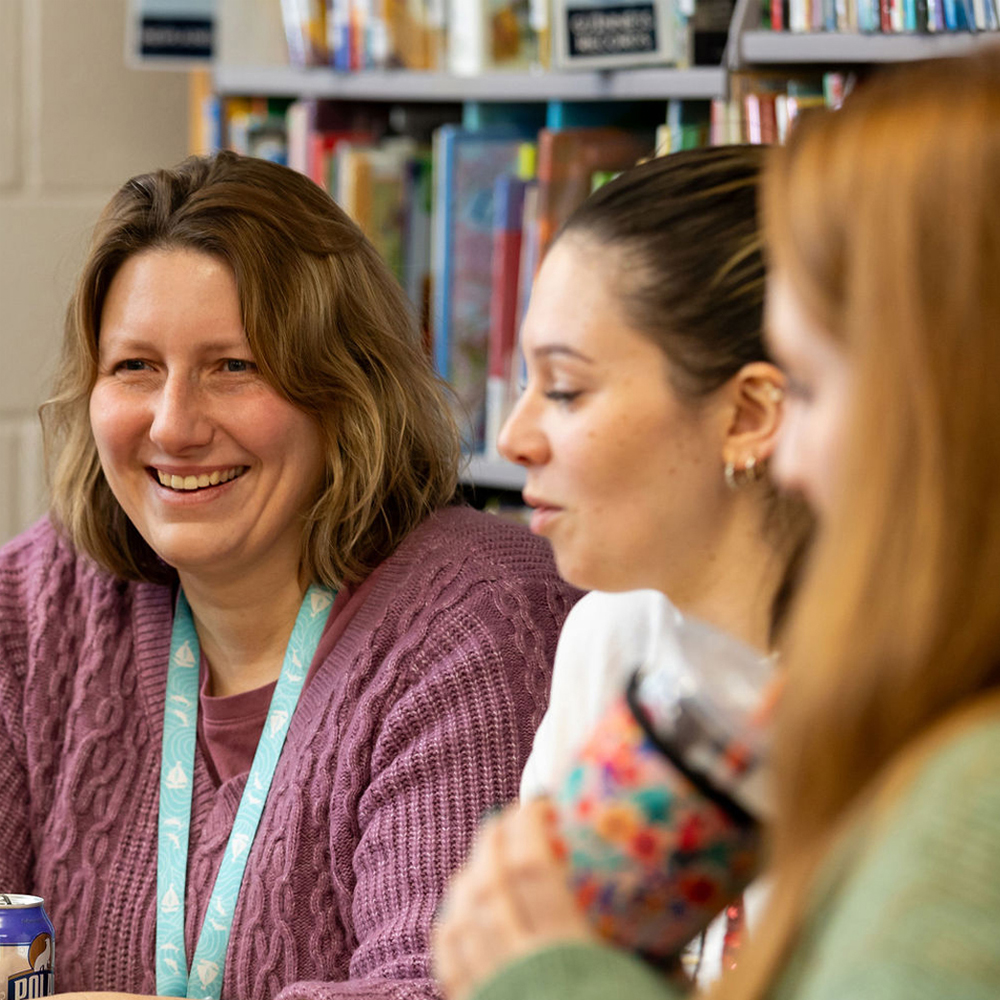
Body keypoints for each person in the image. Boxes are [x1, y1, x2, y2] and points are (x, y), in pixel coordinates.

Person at [432, 52, 1000, 1000]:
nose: (800, 456)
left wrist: (558, 977)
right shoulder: (627, 643)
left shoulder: (962, 790)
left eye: (811, 389)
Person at [0, 151, 580, 1000]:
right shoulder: (38, 604)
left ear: (345, 388)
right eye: (135, 368)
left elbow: (440, 987)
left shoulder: (476, 618)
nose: (175, 425)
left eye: (235, 366)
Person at [503, 146, 810, 982]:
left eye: (564, 390)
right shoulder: (611, 635)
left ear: (748, 413)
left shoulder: (920, 715)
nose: (513, 439)